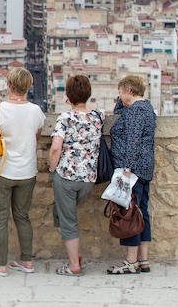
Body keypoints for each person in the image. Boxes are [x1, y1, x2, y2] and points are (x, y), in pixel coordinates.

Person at [0, 67, 44, 277]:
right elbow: (37, 135)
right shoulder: (36, 111)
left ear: (9, 85)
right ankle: (27, 261)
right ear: (28, 87)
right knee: (23, 217)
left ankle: (2, 265)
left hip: (1, 171)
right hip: (27, 171)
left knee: (0, 219)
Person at [49, 75, 102, 276]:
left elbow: (55, 148)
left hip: (67, 177)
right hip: (88, 178)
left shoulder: (65, 118)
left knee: (68, 220)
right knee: (62, 214)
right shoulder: (98, 117)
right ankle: (75, 256)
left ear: (68, 97)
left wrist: (53, 170)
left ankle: (74, 264)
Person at [107, 75, 156, 275]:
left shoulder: (136, 111)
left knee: (129, 213)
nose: (119, 96)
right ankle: (143, 260)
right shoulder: (146, 108)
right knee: (141, 211)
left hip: (132, 170)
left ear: (128, 90)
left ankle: (130, 261)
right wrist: (121, 100)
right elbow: (118, 111)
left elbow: (133, 141)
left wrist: (126, 169)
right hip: (144, 168)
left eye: (121, 92)